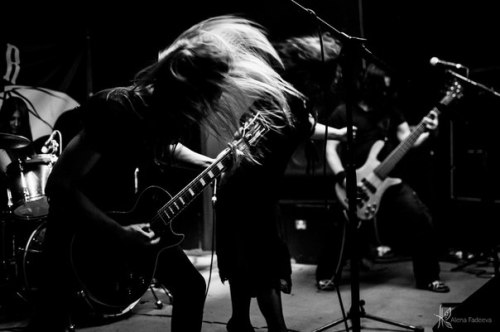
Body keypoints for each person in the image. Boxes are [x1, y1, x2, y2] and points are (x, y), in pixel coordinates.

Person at [25, 15, 305, 332]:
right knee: (51, 318)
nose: (212, 104)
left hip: (129, 219)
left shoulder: (161, 114)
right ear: (186, 90)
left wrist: (206, 164)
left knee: (190, 287)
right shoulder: (116, 110)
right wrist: (117, 232)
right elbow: (59, 186)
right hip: (78, 229)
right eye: (208, 95)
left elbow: (163, 147)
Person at [215, 32, 350, 332]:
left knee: (248, 262)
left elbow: (305, 127)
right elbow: (296, 128)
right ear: (317, 75)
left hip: (251, 193)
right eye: (335, 71)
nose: (339, 77)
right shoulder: (286, 105)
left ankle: (240, 322)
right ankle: (274, 328)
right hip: (246, 193)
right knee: (262, 266)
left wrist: (339, 135)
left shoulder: (289, 100)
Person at [324, 62, 450, 293]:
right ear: (369, 85)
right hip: (355, 183)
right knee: (338, 227)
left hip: (389, 181)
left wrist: (427, 129)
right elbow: (331, 149)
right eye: (382, 87)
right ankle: (328, 275)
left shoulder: (390, 110)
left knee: (421, 218)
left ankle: (428, 277)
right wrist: (343, 177)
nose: (386, 92)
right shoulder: (344, 112)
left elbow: (408, 139)